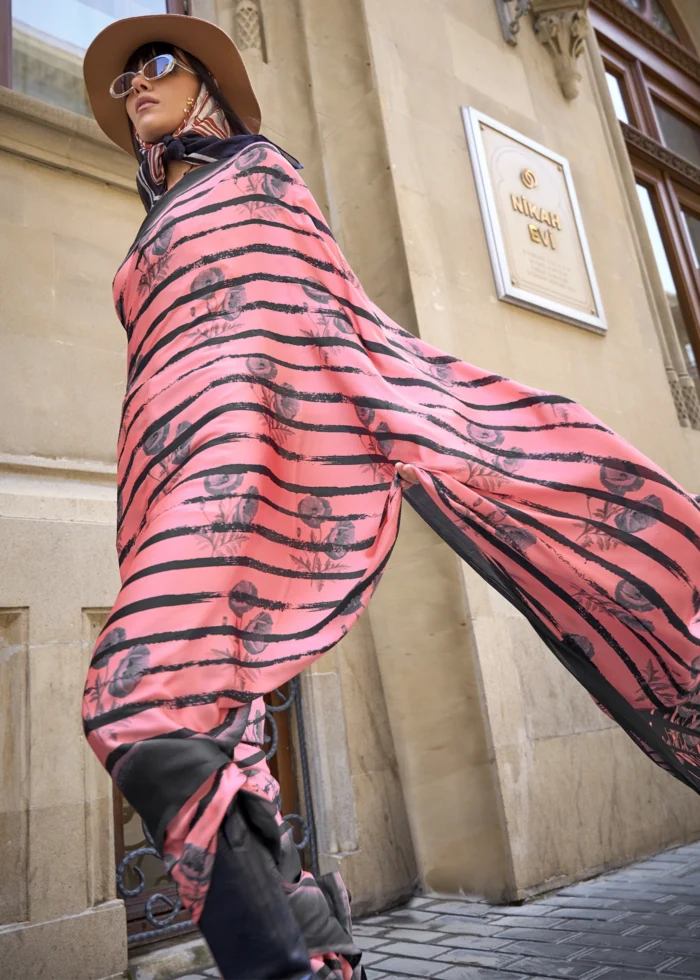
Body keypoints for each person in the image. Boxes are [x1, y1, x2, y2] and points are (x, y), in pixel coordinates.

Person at [81, 13, 700, 980]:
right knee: (221, 722)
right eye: (123, 84)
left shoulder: (262, 178)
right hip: (158, 477)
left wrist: (396, 432)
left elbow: (325, 331)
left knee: (144, 693)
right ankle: (319, 957)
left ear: (206, 82)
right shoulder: (157, 216)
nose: (135, 88)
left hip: (240, 471)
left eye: (155, 64)